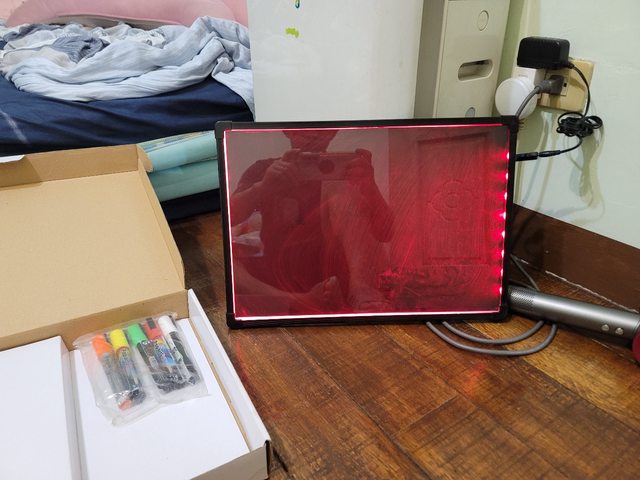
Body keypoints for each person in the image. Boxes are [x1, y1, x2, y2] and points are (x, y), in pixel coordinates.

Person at [229, 130, 395, 316]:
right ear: (287, 131)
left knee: (342, 186)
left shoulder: (343, 169)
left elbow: (386, 233)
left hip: (332, 276)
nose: (312, 139)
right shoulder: (265, 169)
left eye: (319, 133)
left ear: (332, 133)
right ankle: (301, 300)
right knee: (228, 264)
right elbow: (230, 217)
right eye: (304, 133)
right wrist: (264, 186)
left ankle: (358, 287)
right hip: (279, 276)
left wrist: (370, 188)